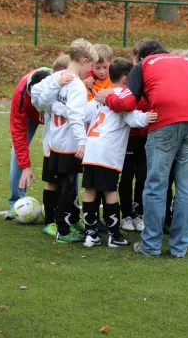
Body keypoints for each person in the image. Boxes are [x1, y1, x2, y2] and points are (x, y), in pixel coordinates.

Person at [95, 39, 188, 258]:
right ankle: (179, 248)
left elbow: (125, 103)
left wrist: (109, 97)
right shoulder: (186, 61)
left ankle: (151, 245)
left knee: (156, 184)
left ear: (139, 58)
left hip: (165, 123)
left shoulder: (144, 66)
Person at [82, 58, 157, 248]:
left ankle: (90, 235)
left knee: (90, 190)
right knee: (110, 191)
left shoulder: (100, 96)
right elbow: (133, 118)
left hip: (91, 150)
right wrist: (147, 117)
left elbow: (84, 114)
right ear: (126, 80)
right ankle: (114, 236)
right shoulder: (123, 99)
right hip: (108, 153)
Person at [31, 38, 98, 243]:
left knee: (59, 183)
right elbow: (74, 115)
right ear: (84, 61)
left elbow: (39, 99)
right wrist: (82, 142)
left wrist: (54, 104)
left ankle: (57, 225)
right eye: (91, 66)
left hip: (54, 141)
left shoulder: (58, 76)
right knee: (68, 185)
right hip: (68, 143)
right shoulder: (74, 85)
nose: (90, 71)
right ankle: (64, 231)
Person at [31, 54, 71, 236]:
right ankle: (50, 222)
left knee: (65, 183)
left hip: (63, 146)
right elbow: (41, 100)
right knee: (53, 182)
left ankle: (64, 218)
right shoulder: (51, 93)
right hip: (53, 147)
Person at [6, 66, 52, 220]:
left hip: (53, 113)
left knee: (65, 152)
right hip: (28, 115)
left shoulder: (60, 86)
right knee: (16, 153)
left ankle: (66, 202)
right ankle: (16, 203)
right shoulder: (21, 93)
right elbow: (18, 134)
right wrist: (25, 166)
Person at [119, 40, 151, 232]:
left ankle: (138, 214)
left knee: (142, 177)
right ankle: (126, 216)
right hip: (128, 137)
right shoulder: (129, 75)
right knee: (126, 177)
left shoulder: (153, 76)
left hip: (147, 137)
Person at [84, 44, 114, 233]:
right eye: (97, 67)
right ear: (91, 66)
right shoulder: (87, 82)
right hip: (92, 141)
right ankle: (92, 224)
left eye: (106, 67)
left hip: (111, 141)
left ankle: (103, 221)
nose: (102, 71)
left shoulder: (117, 80)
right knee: (92, 185)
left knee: (106, 185)